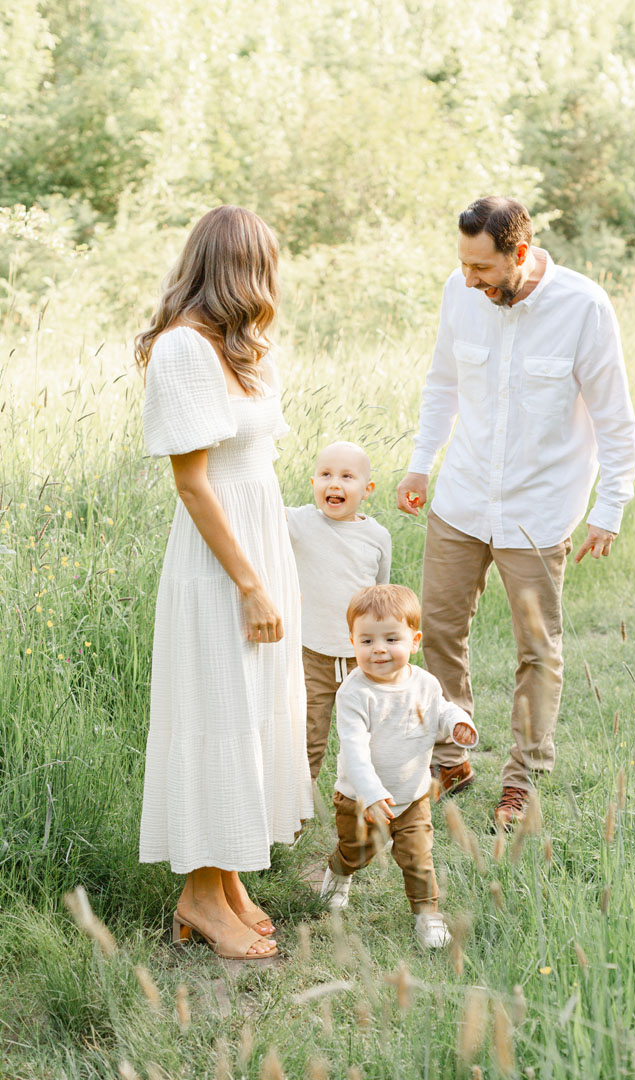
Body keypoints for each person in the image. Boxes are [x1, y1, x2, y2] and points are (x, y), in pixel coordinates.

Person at [396, 196, 635, 829]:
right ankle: (451, 757)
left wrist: (609, 506)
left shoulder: (583, 307)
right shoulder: (460, 292)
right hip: (462, 497)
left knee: (536, 648)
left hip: (539, 509)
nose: (469, 280)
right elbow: (442, 382)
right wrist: (423, 460)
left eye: (482, 268)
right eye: (464, 265)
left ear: (520, 254)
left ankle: (522, 779)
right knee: (440, 632)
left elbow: (615, 417)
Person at [135, 205, 313, 960]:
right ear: (240, 269)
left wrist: (273, 569)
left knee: (255, 709)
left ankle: (230, 876)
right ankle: (200, 896)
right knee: (220, 709)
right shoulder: (182, 351)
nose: (274, 278)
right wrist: (249, 583)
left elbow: (256, 460)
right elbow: (195, 484)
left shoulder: (241, 348)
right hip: (221, 561)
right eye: (266, 265)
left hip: (260, 539)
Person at [320, 584, 478, 948]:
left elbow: (439, 710)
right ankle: (339, 871)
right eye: (367, 641)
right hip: (359, 798)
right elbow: (355, 751)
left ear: (415, 640)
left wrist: (457, 722)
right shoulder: (353, 693)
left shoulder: (424, 683)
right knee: (357, 852)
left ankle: (428, 915)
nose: (378, 649)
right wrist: (371, 794)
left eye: (391, 638)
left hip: (412, 795)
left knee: (418, 858)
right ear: (353, 642)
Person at [286, 441, 391, 782]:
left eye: (347, 476)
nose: (335, 483)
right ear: (313, 483)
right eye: (326, 475)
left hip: (360, 660)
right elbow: (257, 511)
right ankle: (299, 806)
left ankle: (367, 800)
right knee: (307, 737)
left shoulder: (377, 536)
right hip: (311, 655)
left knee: (365, 738)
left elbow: (380, 596)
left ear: (367, 489)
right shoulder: (301, 523)